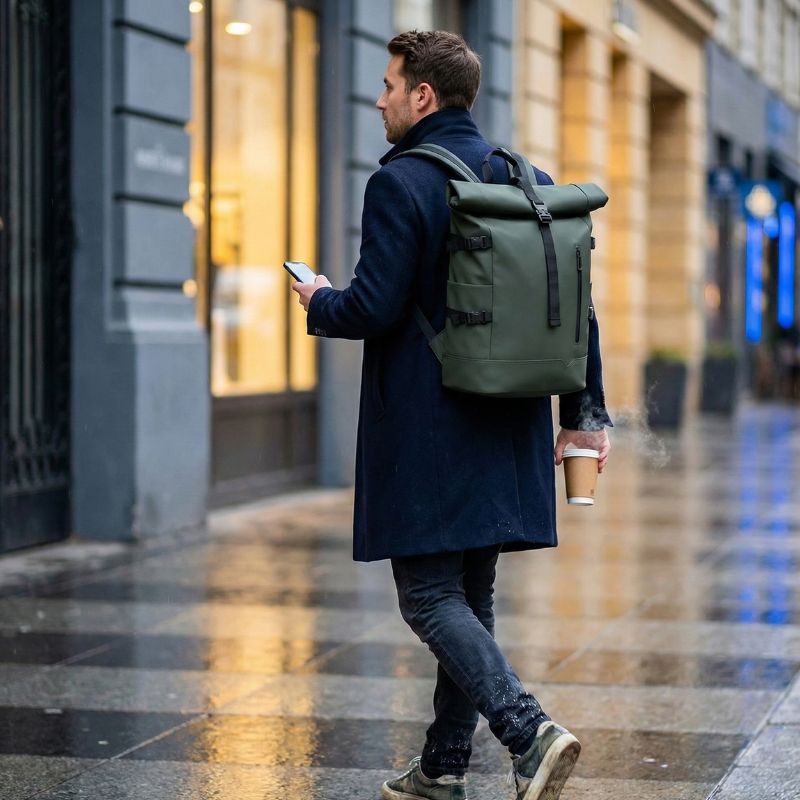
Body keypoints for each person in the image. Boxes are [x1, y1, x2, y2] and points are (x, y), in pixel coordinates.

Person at [292, 30, 612, 800]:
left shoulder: (400, 184)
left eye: (389, 84)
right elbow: (578, 312)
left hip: (431, 429)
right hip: (509, 427)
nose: (379, 98)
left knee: (429, 598)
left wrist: (318, 299)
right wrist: (585, 414)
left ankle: (526, 730)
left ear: (423, 96)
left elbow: (372, 307)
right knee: (470, 598)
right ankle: (442, 767)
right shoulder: (525, 178)